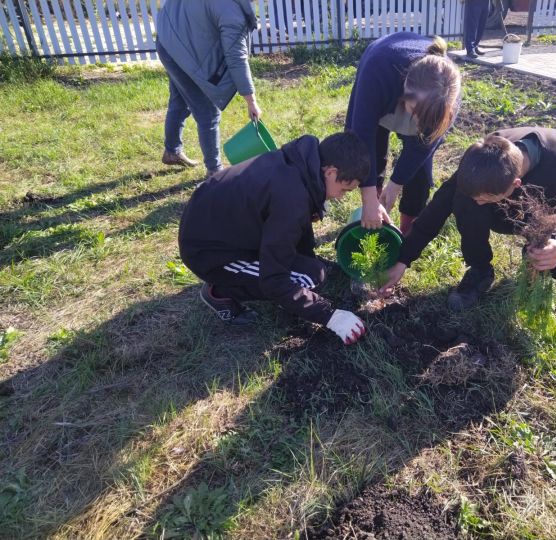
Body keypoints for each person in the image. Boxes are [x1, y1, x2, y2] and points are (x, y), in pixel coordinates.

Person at [378, 127, 556, 310]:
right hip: (506, 211)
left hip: (547, 215)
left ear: (516, 184)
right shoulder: (481, 158)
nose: (479, 202)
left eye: (486, 198)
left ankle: (541, 264)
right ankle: (480, 271)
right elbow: (438, 207)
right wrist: (404, 259)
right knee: (464, 199)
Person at [178, 132, 371, 345]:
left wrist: (308, 259)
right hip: (209, 253)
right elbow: (274, 280)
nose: (340, 197)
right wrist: (329, 316)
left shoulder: (297, 164)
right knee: (307, 278)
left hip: (220, 228)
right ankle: (219, 291)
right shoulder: (292, 201)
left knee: (312, 270)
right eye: (344, 189)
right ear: (331, 172)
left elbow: (294, 229)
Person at [345, 32, 462, 236]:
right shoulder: (378, 70)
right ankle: (376, 210)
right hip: (382, 68)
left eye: (423, 119)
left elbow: (421, 149)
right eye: (414, 112)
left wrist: (396, 184)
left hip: (422, 98)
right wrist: (369, 199)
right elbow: (362, 136)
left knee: (419, 173)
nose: (416, 123)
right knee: (374, 152)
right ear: (406, 87)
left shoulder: (447, 95)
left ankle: (406, 230)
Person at [155, 0, 262, 179]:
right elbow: (236, 57)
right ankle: (215, 171)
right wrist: (251, 101)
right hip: (177, 44)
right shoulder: (232, 12)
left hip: (167, 39)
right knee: (208, 112)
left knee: (180, 100)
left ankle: (172, 151)